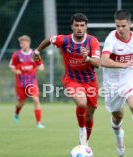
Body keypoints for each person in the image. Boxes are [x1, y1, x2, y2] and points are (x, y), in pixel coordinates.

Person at [33, 13, 100, 145]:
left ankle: (84, 143)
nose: (79, 28)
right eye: (76, 25)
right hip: (72, 80)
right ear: (72, 27)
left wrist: (86, 58)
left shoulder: (92, 41)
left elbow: (97, 64)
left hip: (90, 81)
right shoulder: (64, 40)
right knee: (81, 103)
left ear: (86, 27)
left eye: (82, 25)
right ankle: (82, 131)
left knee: (90, 114)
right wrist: (37, 51)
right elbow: (49, 39)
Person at [101, 9, 133, 157]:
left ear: (130, 24)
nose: (120, 29)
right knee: (117, 117)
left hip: (130, 78)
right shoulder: (111, 39)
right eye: (117, 26)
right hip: (112, 83)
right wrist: (122, 65)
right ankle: (119, 138)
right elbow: (103, 61)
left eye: (123, 26)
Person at [9, 35, 45, 128]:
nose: (22, 45)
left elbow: (41, 66)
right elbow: (12, 66)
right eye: (20, 43)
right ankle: (16, 113)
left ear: (28, 43)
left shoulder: (34, 54)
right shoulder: (16, 55)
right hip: (20, 83)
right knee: (21, 102)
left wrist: (40, 68)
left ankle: (39, 123)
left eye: (23, 43)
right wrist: (16, 71)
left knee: (36, 100)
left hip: (32, 82)